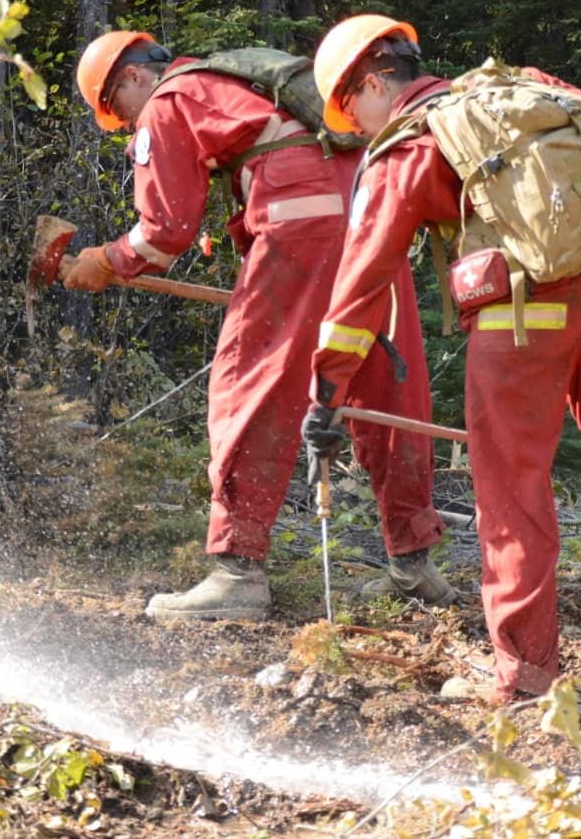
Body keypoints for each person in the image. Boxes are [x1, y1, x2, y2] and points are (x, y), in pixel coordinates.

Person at [301, 14, 581, 703]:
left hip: (517, 326)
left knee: (513, 495)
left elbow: (362, 280)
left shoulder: (407, 148)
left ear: (373, 84)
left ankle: (525, 677)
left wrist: (326, 389)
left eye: (353, 114)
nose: (358, 131)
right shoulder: (520, 88)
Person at [64, 30, 456, 620]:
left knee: (248, 384)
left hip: (302, 231)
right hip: (371, 216)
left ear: (131, 79)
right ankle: (414, 565)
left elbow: (164, 231)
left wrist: (105, 260)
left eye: (118, 111)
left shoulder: (170, 100)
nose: (125, 123)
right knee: (386, 388)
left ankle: (237, 571)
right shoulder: (239, 85)